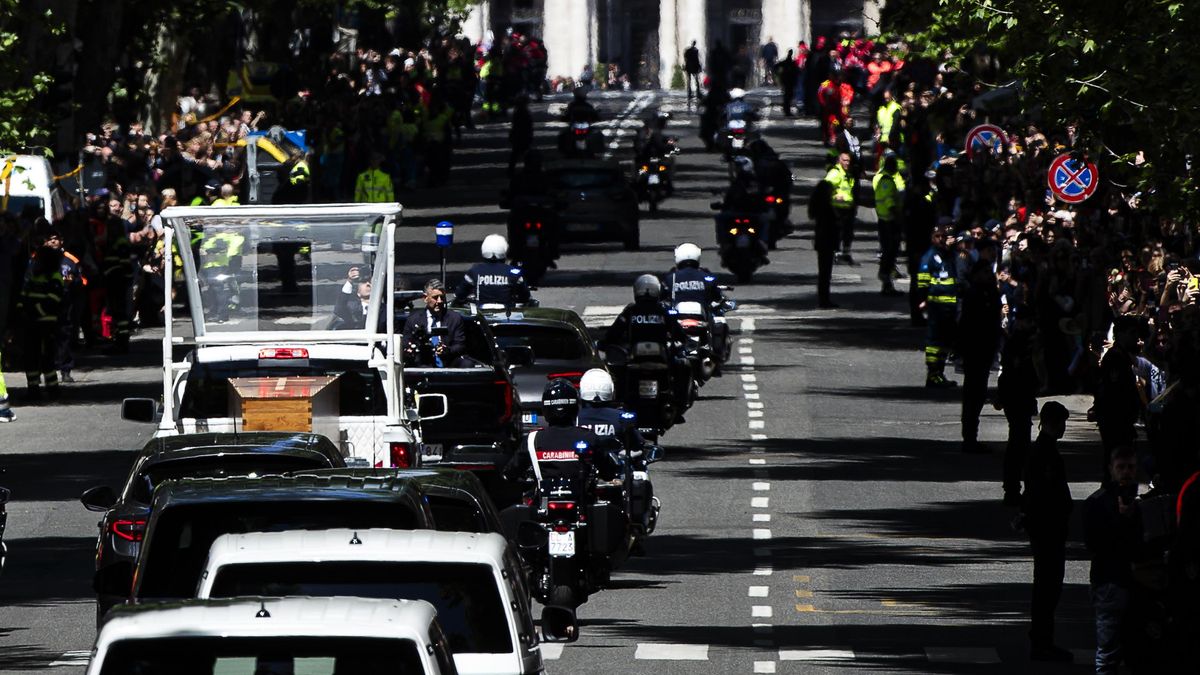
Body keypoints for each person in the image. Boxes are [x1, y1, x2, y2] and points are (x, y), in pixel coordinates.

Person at [1019, 401, 1074, 663]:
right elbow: (1041, 493)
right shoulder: (1044, 454)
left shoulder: (1044, 450)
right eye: (1061, 423)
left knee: (1048, 586)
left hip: (1047, 526)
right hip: (1047, 528)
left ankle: (1043, 639)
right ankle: (1041, 641)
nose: (1063, 428)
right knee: (1047, 587)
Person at [577, 368, 660, 540]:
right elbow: (638, 445)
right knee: (640, 475)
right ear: (610, 390)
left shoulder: (575, 418)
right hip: (612, 475)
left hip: (582, 476)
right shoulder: (619, 417)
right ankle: (637, 526)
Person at [502, 378, 620, 492]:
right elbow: (608, 473)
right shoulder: (589, 437)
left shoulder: (532, 439)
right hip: (582, 501)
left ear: (545, 409)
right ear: (575, 408)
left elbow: (510, 473)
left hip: (545, 502)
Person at [1084, 447, 1142, 674]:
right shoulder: (1098, 502)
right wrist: (1122, 519)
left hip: (1135, 580)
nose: (1126, 472)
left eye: (1130, 467)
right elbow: (1095, 543)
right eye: (1121, 467)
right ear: (1111, 470)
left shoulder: (1139, 501)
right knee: (1108, 650)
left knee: (1134, 646)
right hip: (1109, 580)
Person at [602, 275, 692, 422]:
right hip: (649, 363)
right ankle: (678, 404)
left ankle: (620, 402)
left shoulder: (631, 312)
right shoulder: (662, 311)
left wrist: (604, 344)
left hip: (644, 363)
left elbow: (613, 334)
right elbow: (679, 334)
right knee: (684, 366)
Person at [958, 238, 1002, 453]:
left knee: (978, 393)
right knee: (973, 395)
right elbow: (968, 324)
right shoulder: (974, 294)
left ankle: (971, 437)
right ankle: (969, 438)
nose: (988, 276)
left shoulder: (990, 293)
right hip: (975, 350)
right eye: (984, 273)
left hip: (985, 349)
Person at [662, 243, 729, 365]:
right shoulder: (706, 276)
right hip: (698, 320)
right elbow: (717, 296)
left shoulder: (671, 277)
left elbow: (662, 295)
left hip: (679, 320)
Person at [18, 232, 67, 401]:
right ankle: (33, 389)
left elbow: (53, 300)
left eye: (38, 260)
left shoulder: (55, 277)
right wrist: (22, 310)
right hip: (31, 323)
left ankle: (53, 389)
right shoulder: (34, 277)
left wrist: (35, 309)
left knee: (47, 357)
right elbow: (24, 296)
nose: (36, 262)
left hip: (46, 324)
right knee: (30, 357)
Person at [1093, 316, 1142, 480]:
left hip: (1121, 418)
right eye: (1132, 333)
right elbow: (1114, 391)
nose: (1136, 337)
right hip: (1115, 419)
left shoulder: (1124, 356)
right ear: (1120, 334)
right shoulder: (1115, 358)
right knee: (1116, 458)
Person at [917, 223, 958, 387]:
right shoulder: (930, 256)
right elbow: (922, 281)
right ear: (932, 238)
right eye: (937, 236)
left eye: (943, 236)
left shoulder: (949, 255)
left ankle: (940, 373)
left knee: (946, 341)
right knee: (934, 341)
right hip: (936, 306)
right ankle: (932, 373)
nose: (940, 239)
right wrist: (923, 299)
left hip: (950, 307)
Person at [401, 278, 466, 367]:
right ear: (425, 298)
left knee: (466, 364)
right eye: (435, 298)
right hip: (423, 365)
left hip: (449, 364)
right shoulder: (413, 320)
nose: (439, 301)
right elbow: (405, 343)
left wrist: (447, 350)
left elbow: (460, 345)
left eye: (442, 297)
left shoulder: (455, 319)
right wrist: (410, 349)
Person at [455, 234, 531, 307]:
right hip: (507, 313)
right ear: (504, 250)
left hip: (481, 313)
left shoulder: (475, 270)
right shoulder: (514, 272)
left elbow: (460, 294)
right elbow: (525, 296)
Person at [871, 152, 905, 294]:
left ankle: (887, 284)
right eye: (894, 165)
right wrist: (897, 216)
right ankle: (886, 280)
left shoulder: (887, 179)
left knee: (890, 252)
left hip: (886, 221)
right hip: (888, 222)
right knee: (889, 252)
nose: (896, 168)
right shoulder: (886, 181)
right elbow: (889, 202)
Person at [809, 179, 839, 309]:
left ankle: (824, 298)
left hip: (822, 241)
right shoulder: (826, 207)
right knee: (825, 273)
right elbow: (831, 225)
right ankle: (824, 300)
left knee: (824, 272)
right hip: (826, 241)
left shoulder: (819, 206)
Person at [823, 151, 856, 264]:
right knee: (837, 232)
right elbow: (825, 188)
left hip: (848, 208)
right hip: (837, 208)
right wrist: (835, 196)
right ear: (839, 161)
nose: (847, 163)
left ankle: (846, 253)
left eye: (849, 161)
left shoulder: (848, 173)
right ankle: (836, 253)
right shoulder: (835, 173)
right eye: (845, 160)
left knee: (848, 232)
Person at [509, 94, 533, 176]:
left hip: (518, 135)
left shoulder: (518, 111)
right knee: (523, 153)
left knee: (516, 153)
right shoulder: (523, 111)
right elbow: (526, 125)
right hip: (522, 135)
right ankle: (527, 169)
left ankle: (511, 169)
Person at [775, 50, 799, 116]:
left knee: (787, 96)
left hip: (786, 81)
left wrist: (779, 74)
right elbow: (797, 72)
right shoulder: (792, 63)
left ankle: (786, 110)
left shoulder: (786, 62)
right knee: (788, 96)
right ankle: (787, 110)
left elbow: (776, 67)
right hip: (789, 82)